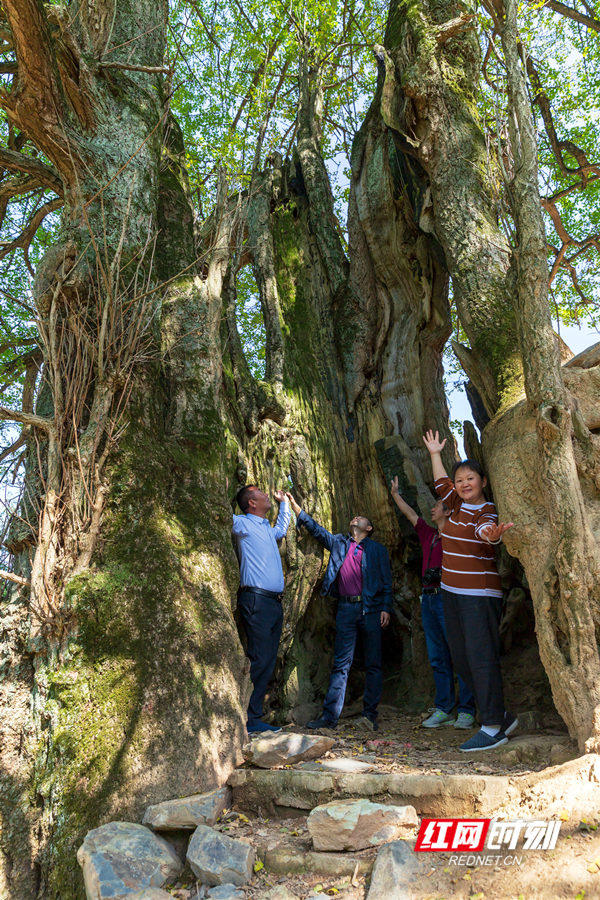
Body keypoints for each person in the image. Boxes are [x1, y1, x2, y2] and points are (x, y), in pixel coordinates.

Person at [422, 430, 517, 752]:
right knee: (462, 658)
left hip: (479, 594)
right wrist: (435, 453)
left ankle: (492, 727)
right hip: (452, 591)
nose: (463, 484)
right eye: (460, 479)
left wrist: (492, 535)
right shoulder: (454, 504)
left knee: (480, 657)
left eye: (470, 479)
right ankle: (501, 716)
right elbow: (440, 484)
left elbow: (486, 534)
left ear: (483, 481)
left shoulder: (486, 511)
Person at [286, 493, 392, 731]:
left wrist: (386, 607)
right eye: (354, 517)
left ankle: (370, 715)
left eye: (361, 518)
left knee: (373, 663)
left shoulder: (377, 550)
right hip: (345, 608)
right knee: (341, 664)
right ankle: (329, 717)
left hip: (372, 610)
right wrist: (296, 509)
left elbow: (387, 581)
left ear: (369, 528)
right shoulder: (339, 543)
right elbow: (317, 530)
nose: (355, 518)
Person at [390, 476, 476, 729]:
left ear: (447, 511)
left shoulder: (456, 533)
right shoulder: (429, 535)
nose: (432, 508)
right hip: (427, 601)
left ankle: (467, 711)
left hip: (449, 598)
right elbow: (410, 515)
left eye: (437, 505)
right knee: (437, 657)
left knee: (459, 654)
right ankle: (443, 708)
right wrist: (395, 494)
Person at [232, 484, 291, 734]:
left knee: (267, 659)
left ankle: (253, 714)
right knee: (260, 658)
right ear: (251, 503)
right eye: (260, 493)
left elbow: (281, 530)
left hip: (273, 602)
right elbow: (221, 517)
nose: (266, 494)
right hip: (256, 599)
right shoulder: (242, 524)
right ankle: (249, 717)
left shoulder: (266, 528)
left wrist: (284, 504)